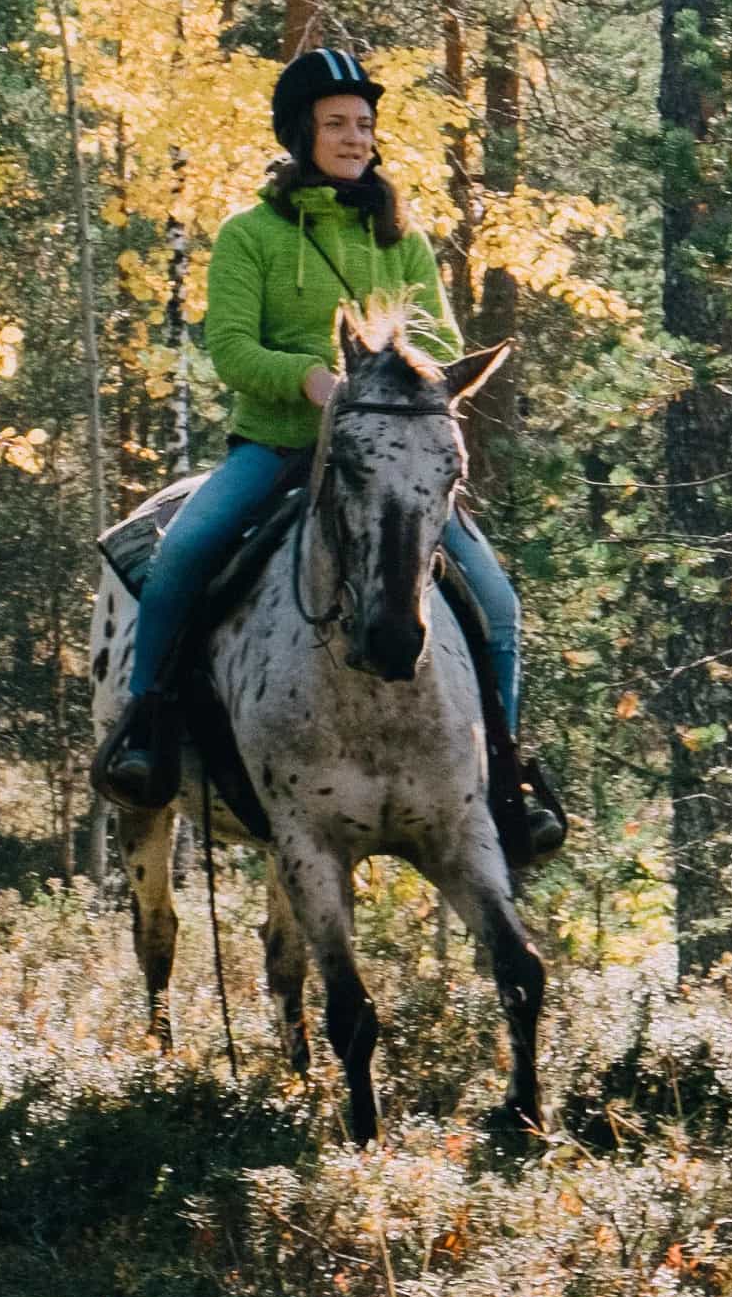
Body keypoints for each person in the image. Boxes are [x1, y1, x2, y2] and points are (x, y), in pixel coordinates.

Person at [96, 45, 567, 861]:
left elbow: (442, 345)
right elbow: (232, 349)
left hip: (389, 467)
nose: (355, 139)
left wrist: (405, 390)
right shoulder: (252, 235)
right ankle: (147, 734)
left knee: (497, 603)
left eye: (364, 126)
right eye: (337, 125)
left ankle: (507, 773)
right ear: (300, 134)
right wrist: (312, 381)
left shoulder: (402, 239)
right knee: (179, 559)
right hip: (278, 448)